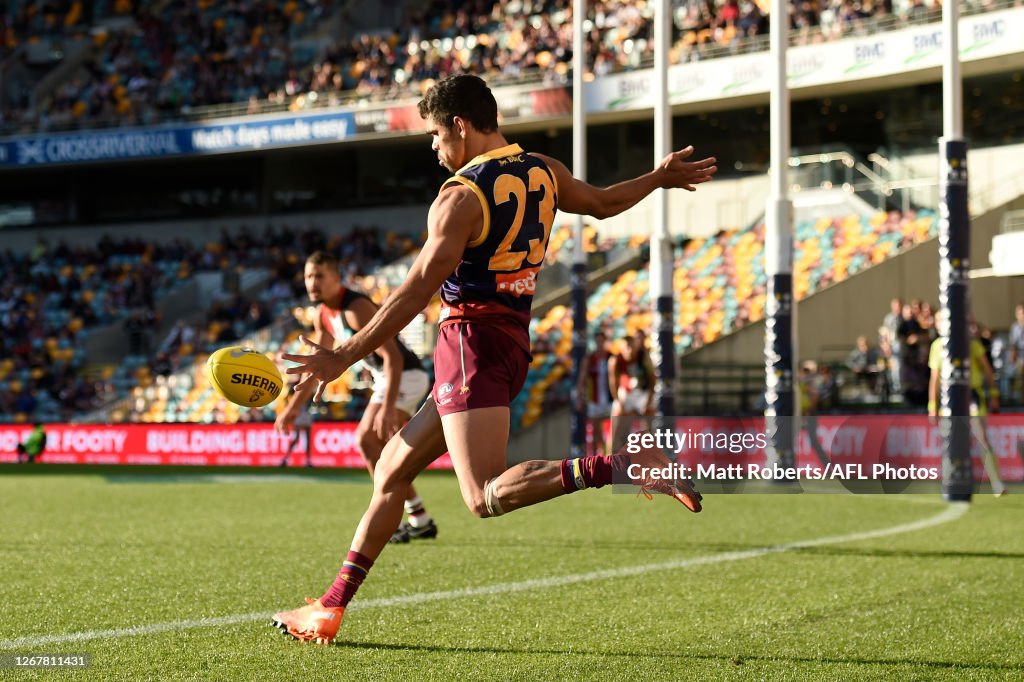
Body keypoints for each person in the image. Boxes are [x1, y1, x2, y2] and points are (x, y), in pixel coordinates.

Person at [272, 74, 717, 644]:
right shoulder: (544, 170)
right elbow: (604, 204)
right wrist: (657, 178)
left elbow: (413, 291)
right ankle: (330, 608)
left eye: (436, 134)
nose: (435, 148)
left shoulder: (459, 196)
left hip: (469, 345)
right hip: (507, 342)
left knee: (483, 496)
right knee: (389, 470)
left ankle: (625, 465)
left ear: (460, 125)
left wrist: (343, 356)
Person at [274, 251, 436, 544]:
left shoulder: (357, 308)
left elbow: (394, 359)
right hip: (385, 380)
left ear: (337, 279)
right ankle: (419, 518)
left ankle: (394, 519)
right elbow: (318, 368)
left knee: (367, 440)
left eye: (319, 275)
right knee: (381, 448)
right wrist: (292, 409)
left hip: (406, 376)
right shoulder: (322, 314)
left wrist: (387, 408)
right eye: (309, 276)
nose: (312, 282)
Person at [927, 311, 1007, 497]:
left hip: (972, 396)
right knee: (951, 442)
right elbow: (935, 379)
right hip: (949, 398)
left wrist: (994, 393)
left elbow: (987, 370)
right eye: (939, 321)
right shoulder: (937, 347)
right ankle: (952, 481)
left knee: (982, 438)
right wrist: (932, 405)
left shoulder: (969, 343)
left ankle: (997, 483)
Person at [608, 331, 657, 454]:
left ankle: (650, 459)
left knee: (649, 424)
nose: (629, 350)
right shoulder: (615, 360)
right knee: (617, 424)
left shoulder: (644, 357)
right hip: (625, 393)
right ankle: (611, 459)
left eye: (631, 347)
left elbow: (652, 380)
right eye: (626, 347)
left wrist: (649, 401)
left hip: (642, 393)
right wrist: (618, 402)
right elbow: (613, 383)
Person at [575, 329, 613, 454]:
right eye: (597, 341)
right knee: (597, 430)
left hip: (610, 399)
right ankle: (602, 455)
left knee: (613, 429)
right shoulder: (589, 359)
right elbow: (581, 380)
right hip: (594, 399)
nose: (600, 344)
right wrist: (579, 398)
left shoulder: (611, 357)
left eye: (602, 341)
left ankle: (611, 453)